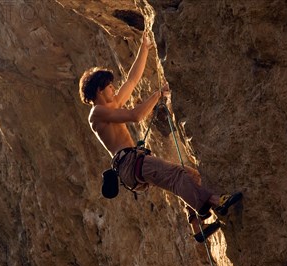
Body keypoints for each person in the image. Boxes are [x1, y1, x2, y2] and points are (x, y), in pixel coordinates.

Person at [79, 30, 242, 242]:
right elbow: (136, 116)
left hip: (132, 164)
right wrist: (158, 94)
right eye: (110, 86)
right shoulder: (97, 113)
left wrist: (144, 47)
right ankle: (215, 202)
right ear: (100, 91)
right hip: (130, 162)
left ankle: (196, 224)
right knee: (177, 177)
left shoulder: (109, 106)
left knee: (190, 175)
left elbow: (132, 80)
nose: (114, 88)